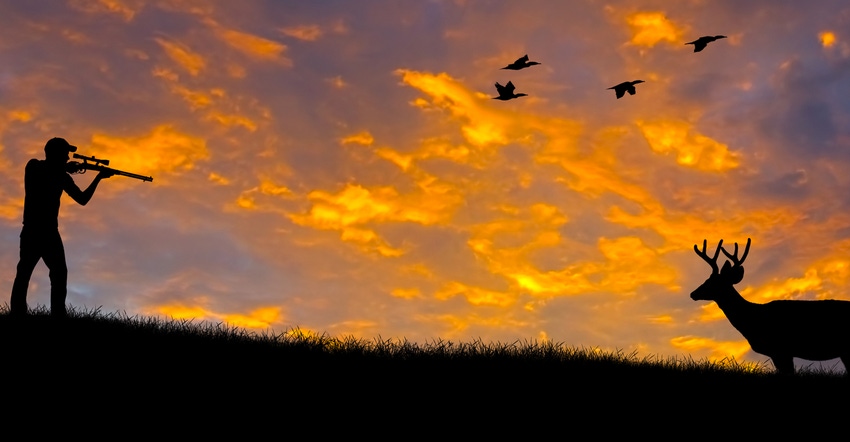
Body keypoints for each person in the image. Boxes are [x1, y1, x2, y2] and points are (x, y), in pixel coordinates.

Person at [9, 137, 113, 318]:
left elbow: (82, 199)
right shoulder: (34, 166)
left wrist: (98, 178)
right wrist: (66, 169)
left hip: (49, 231)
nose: (67, 157)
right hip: (34, 229)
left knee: (58, 273)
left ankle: (58, 314)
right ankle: (19, 312)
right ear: (55, 153)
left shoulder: (62, 176)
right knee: (25, 272)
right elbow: (48, 171)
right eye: (65, 153)